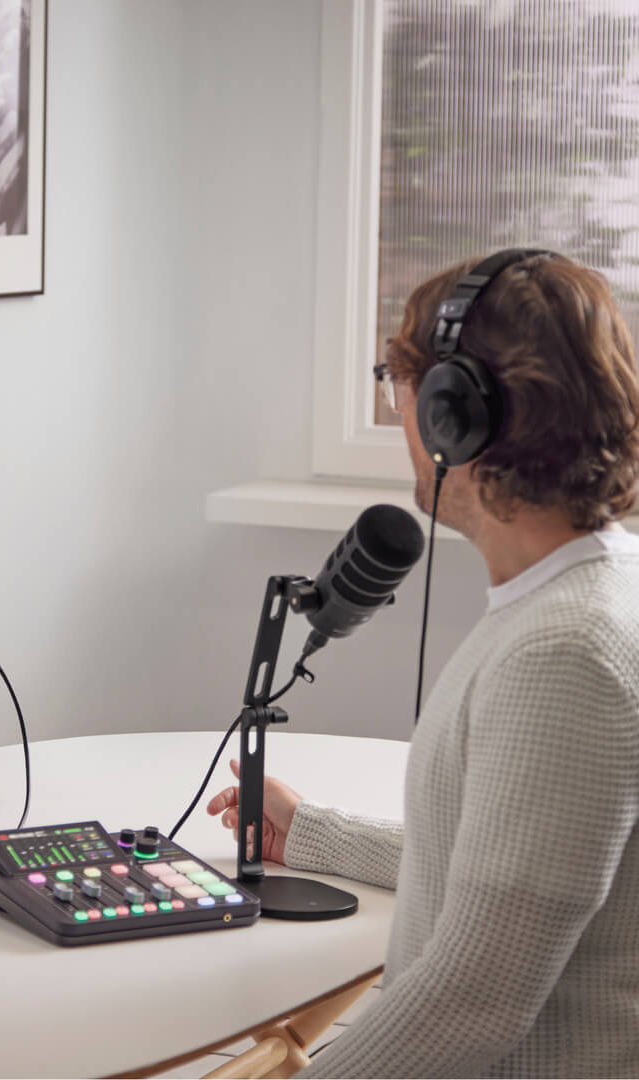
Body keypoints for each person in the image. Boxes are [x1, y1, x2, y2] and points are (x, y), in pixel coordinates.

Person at [209, 251, 639, 1077]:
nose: (398, 411)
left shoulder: (565, 655)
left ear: (453, 414)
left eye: (398, 383)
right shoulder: (585, 602)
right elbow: (502, 883)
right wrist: (316, 833)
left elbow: (471, 1003)